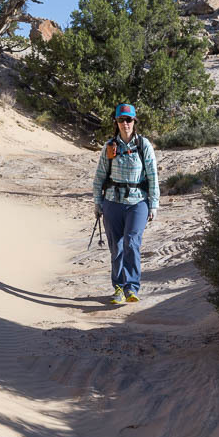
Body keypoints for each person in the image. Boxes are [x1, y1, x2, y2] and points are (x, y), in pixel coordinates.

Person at [92, 102, 160, 304]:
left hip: (138, 202)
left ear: (134, 121)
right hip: (112, 202)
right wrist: (97, 203)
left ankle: (132, 287)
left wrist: (154, 204)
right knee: (117, 247)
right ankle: (119, 288)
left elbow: (153, 176)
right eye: (121, 120)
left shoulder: (143, 145)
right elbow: (99, 176)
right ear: (116, 122)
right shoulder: (110, 146)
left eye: (129, 120)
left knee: (132, 242)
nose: (125, 124)